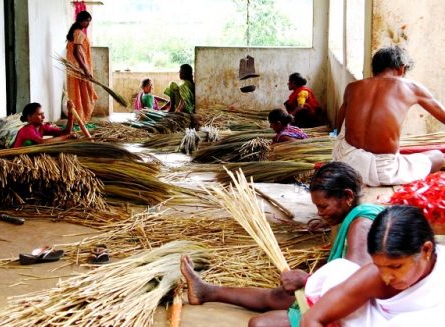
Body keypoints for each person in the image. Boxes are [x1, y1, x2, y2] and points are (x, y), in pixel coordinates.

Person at [180, 162, 385, 327]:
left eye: (323, 206)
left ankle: (207, 291)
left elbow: (355, 284)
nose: (319, 213)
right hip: (345, 302)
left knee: (260, 324)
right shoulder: (361, 216)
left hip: (354, 313)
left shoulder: (361, 225)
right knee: (279, 295)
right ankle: (206, 291)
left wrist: (307, 280)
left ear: (348, 196)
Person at [302, 205, 444, 326]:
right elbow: (312, 318)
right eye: (379, 266)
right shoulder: (375, 277)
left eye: (396, 267)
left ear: (426, 250)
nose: (387, 278)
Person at [333, 46, 445, 187]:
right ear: (402, 69)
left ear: (374, 69)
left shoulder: (352, 87)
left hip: (346, 162)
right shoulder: (412, 88)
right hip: (383, 171)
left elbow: (339, 124)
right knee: (437, 156)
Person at [66, 10, 98, 123]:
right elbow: (76, 52)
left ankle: (78, 119)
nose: (88, 24)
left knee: (78, 93)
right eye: (87, 21)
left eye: (89, 21)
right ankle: (80, 120)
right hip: (78, 68)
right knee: (82, 94)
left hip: (75, 67)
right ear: (81, 21)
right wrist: (84, 69)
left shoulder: (74, 32)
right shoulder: (78, 33)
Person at [12, 101, 76, 148]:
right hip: (18, 159)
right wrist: (66, 137)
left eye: (43, 114)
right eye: (39, 114)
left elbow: (66, 132)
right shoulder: (27, 129)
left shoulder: (42, 127)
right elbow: (42, 142)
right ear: (29, 117)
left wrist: (70, 113)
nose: (43, 117)